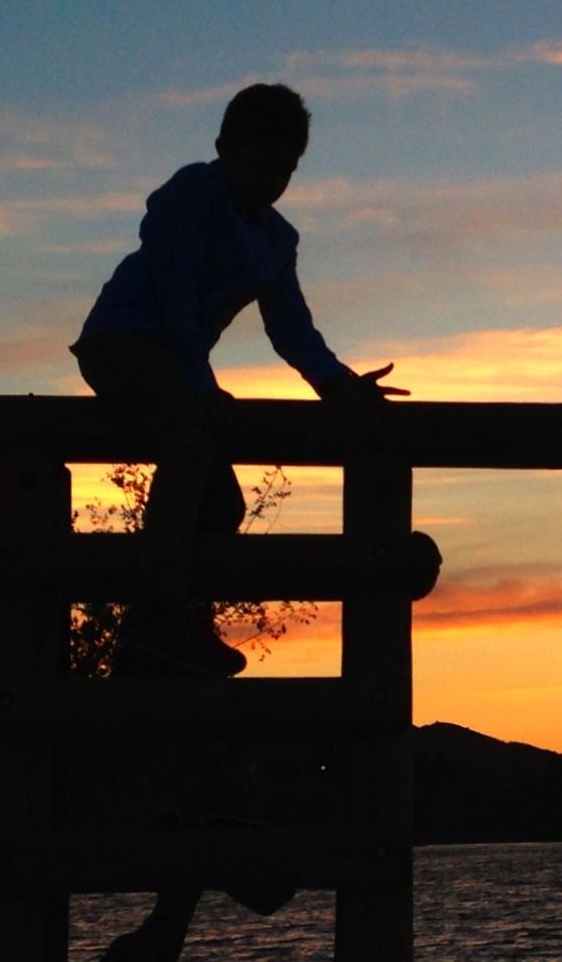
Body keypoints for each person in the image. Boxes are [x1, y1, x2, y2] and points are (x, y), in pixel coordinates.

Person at [72, 81, 408, 678]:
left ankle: (168, 628)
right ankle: (160, 615)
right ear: (225, 145)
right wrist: (199, 386)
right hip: (120, 343)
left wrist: (339, 384)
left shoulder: (277, 241)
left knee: (221, 499)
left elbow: (291, 328)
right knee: (189, 441)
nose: (272, 182)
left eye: (286, 170)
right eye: (261, 165)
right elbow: (175, 296)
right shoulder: (192, 193)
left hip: (178, 365)